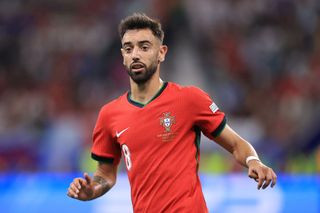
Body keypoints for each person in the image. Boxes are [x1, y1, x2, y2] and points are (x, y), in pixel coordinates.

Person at [67, 13, 277, 212]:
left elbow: (236, 143)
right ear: (123, 56)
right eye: (129, 49)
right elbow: (105, 175)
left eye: (144, 47)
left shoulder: (189, 100)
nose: (136, 54)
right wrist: (91, 190)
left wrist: (253, 162)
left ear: (161, 53)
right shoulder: (109, 114)